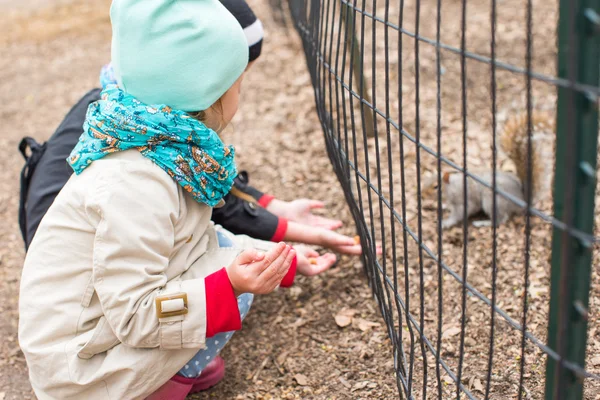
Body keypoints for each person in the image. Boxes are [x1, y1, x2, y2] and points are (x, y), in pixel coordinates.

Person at [18, 1, 330, 399]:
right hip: (80, 369)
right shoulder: (136, 184)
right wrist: (230, 284)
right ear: (209, 92)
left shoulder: (160, 147)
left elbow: (194, 239)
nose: (241, 94)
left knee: (225, 256)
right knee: (226, 287)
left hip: (97, 328)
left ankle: (171, 372)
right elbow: (134, 315)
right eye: (237, 83)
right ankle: (156, 389)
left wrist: (277, 258)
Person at [18, 0, 363, 259]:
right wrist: (285, 237)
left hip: (73, 252)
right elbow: (213, 202)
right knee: (216, 254)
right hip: (89, 266)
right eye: (236, 82)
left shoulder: (130, 111)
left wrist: (275, 207)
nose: (235, 95)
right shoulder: (151, 148)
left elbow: (209, 178)